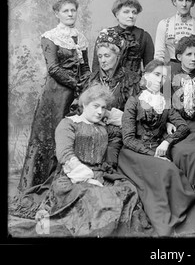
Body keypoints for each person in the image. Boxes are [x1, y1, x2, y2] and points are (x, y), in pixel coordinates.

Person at [9, 84, 155, 237]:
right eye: (95, 106)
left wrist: (112, 116)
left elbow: (127, 124)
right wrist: (88, 178)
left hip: (100, 175)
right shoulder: (69, 124)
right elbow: (65, 155)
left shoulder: (104, 127)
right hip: (73, 178)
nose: (100, 111)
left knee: (127, 191)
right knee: (97, 198)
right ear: (84, 104)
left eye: (103, 108)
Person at [116, 59, 195, 236]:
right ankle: (166, 223)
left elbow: (183, 127)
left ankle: (188, 218)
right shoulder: (134, 102)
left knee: (169, 170)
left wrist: (167, 141)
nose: (160, 79)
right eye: (157, 74)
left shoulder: (164, 102)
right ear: (146, 76)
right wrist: (153, 154)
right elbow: (128, 139)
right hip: (134, 154)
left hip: (157, 150)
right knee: (167, 170)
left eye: (164, 76)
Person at [17, 0, 91, 192]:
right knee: (50, 136)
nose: (69, 14)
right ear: (57, 14)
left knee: (74, 135)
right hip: (55, 94)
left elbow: (85, 68)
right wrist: (75, 84)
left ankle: (67, 185)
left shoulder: (81, 38)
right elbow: (53, 68)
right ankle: (41, 183)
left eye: (72, 10)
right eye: (65, 11)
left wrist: (84, 87)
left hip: (77, 95)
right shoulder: (50, 37)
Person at [169, 35, 195, 195]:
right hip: (178, 125)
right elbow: (165, 105)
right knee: (178, 151)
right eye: (188, 54)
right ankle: (181, 193)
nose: (193, 59)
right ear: (179, 57)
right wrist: (167, 122)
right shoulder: (170, 78)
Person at [91, 0, 154, 80]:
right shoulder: (105, 35)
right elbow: (96, 67)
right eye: (126, 12)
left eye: (134, 12)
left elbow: (150, 69)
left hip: (134, 86)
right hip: (108, 85)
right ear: (117, 14)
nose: (131, 16)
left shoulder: (144, 36)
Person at [154, 0, 195, 72]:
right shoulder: (164, 24)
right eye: (180, 0)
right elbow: (159, 55)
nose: (184, 4)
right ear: (174, 2)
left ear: (193, 3)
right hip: (172, 69)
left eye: (188, 0)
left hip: (194, 69)